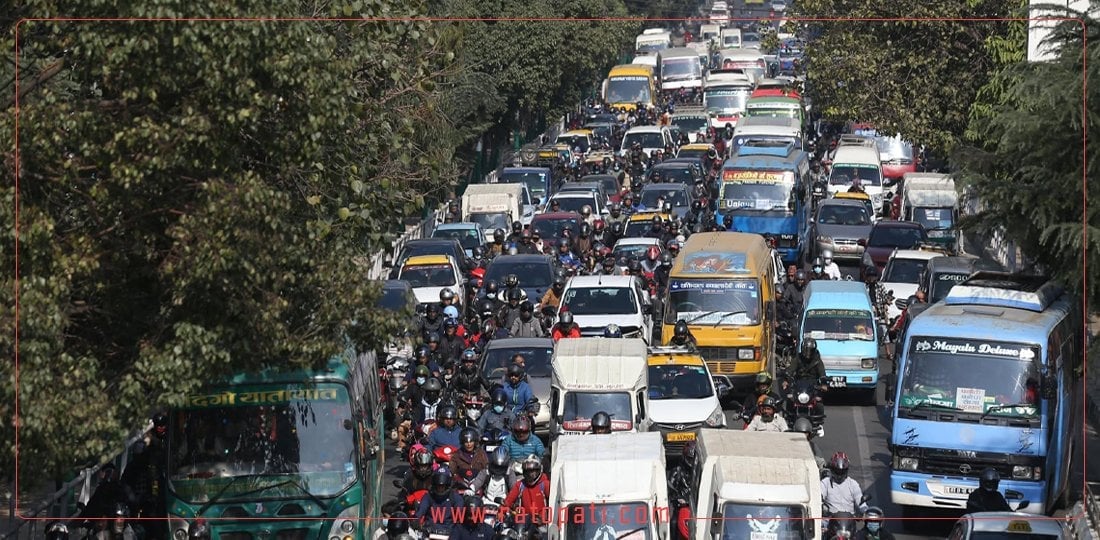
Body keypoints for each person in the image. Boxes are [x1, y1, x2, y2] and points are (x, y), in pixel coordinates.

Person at [501, 457, 551, 534]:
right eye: (527, 472)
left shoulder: (545, 484)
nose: (530, 475)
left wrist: (545, 519)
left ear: (539, 470)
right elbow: (508, 501)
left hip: (541, 524)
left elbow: (554, 504)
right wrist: (503, 510)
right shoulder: (520, 485)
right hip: (523, 524)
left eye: (532, 472)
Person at [415, 469, 465, 535]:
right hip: (429, 532)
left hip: (450, 533)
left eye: (442, 486)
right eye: (438, 486)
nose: (440, 489)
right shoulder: (429, 496)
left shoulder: (455, 498)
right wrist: (415, 521)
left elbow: (460, 515)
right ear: (434, 484)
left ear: (447, 485)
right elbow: (420, 511)